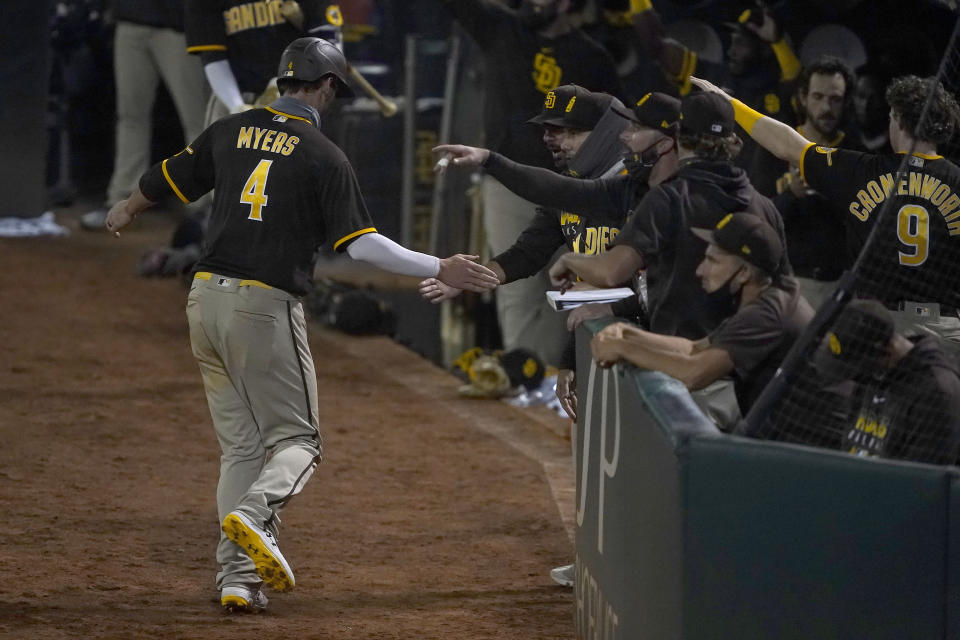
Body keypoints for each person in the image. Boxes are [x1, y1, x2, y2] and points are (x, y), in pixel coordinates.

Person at [103, 37, 499, 613]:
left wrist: (125, 210)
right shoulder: (323, 154)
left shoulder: (231, 130)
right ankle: (256, 513)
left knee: (240, 448)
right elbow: (362, 247)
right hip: (261, 309)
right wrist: (440, 265)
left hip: (203, 301)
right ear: (328, 87)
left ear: (284, 82)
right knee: (299, 442)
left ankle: (237, 580)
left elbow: (166, 176)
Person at [425, 91, 682, 422]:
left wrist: (490, 159)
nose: (552, 139)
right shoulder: (581, 187)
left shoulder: (640, 189)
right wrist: (469, 280)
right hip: (602, 335)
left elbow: (660, 283)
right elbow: (529, 251)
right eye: (548, 130)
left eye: (570, 132)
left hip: (657, 338)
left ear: (604, 133)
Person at [691, 73, 960, 344]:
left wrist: (730, 104)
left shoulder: (863, 171)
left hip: (882, 326)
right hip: (945, 325)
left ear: (899, 119)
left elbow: (788, 145)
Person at [437, 0, 622, 367]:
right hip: (510, 185)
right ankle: (528, 377)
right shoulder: (504, 28)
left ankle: (565, 375)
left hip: (573, 190)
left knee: (572, 287)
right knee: (518, 287)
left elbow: (615, 126)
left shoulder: (592, 55)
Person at [548, 91, 790, 342]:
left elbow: (612, 271)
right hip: (748, 355)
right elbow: (783, 289)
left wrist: (570, 260)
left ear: (677, 137)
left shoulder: (669, 198)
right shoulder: (763, 205)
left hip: (686, 359)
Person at [591, 213, 813, 414]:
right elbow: (694, 348)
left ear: (744, 272)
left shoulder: (767, 313)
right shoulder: (768, 297)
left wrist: (623, 349)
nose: (700, 270)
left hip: (807, 449)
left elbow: (694, 373)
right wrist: (628, 334)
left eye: (713, 261)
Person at [79, 0, 208, 230]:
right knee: (130, 117)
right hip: (131, 20)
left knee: (197, 120)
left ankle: (205, 206)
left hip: (178, 26)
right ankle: (122, 201)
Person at [749, 56, 864, 308]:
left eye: (835, 99)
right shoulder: (776, 148)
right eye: (818, 97)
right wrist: (791, 193)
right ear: (803, 98)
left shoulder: (856, 153)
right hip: (788, 281)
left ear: (846, 102)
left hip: (841, 285)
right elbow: (756, 217)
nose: (826, 107)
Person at [813, 299, 960, 465]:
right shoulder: (873, 376)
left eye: (859, 372)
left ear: (887, 349)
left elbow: (923, 482)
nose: (858, 379)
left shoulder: (937, 393)